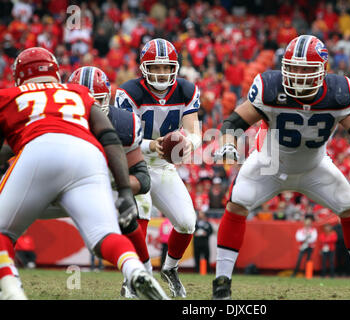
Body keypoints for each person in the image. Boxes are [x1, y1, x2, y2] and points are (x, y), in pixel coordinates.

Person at [212, 35, 350, 300]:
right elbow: (233, 123)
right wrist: (229, 144)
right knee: (238, 201)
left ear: (323, 70)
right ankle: (221, 283)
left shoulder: (339, 92)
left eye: (306, 69)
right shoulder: (270, 87)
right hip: (269, 164)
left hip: (314, 167)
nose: (298, 76)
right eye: (293, 68)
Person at [0, 47, 168, 300]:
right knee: (105, 235)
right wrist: (123, 190)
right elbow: (109, 136)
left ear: (19, 76)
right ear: (56, 73)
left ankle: (11, 290)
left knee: (3, 231)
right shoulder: (76, 92)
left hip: (38, 152)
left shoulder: (8, 96)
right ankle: (136, 271)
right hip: (87, 156)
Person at [115, 38, 202, 298]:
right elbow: (122, 139)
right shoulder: (130, 91)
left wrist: (189, 143)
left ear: (175, 67)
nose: (162, 73)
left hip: (163, 165)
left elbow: (194, 131)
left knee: (187, 222)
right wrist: (153, 145)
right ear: (144, 67)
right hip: (134, 161)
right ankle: (133, 277)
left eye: (167, 67)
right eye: (156, 67)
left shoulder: (186, 90)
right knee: (141, 213)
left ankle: (170, 269)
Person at [67, 66, 153, 298]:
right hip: (64, 186)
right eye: (82, 101)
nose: (89, 109)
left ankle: (143, 272)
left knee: (128, 213)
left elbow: (143, 179)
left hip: (109, 186)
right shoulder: (59, 124)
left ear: (107, 100)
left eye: (96, 102)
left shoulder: (124, 124)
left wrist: (117, 185)